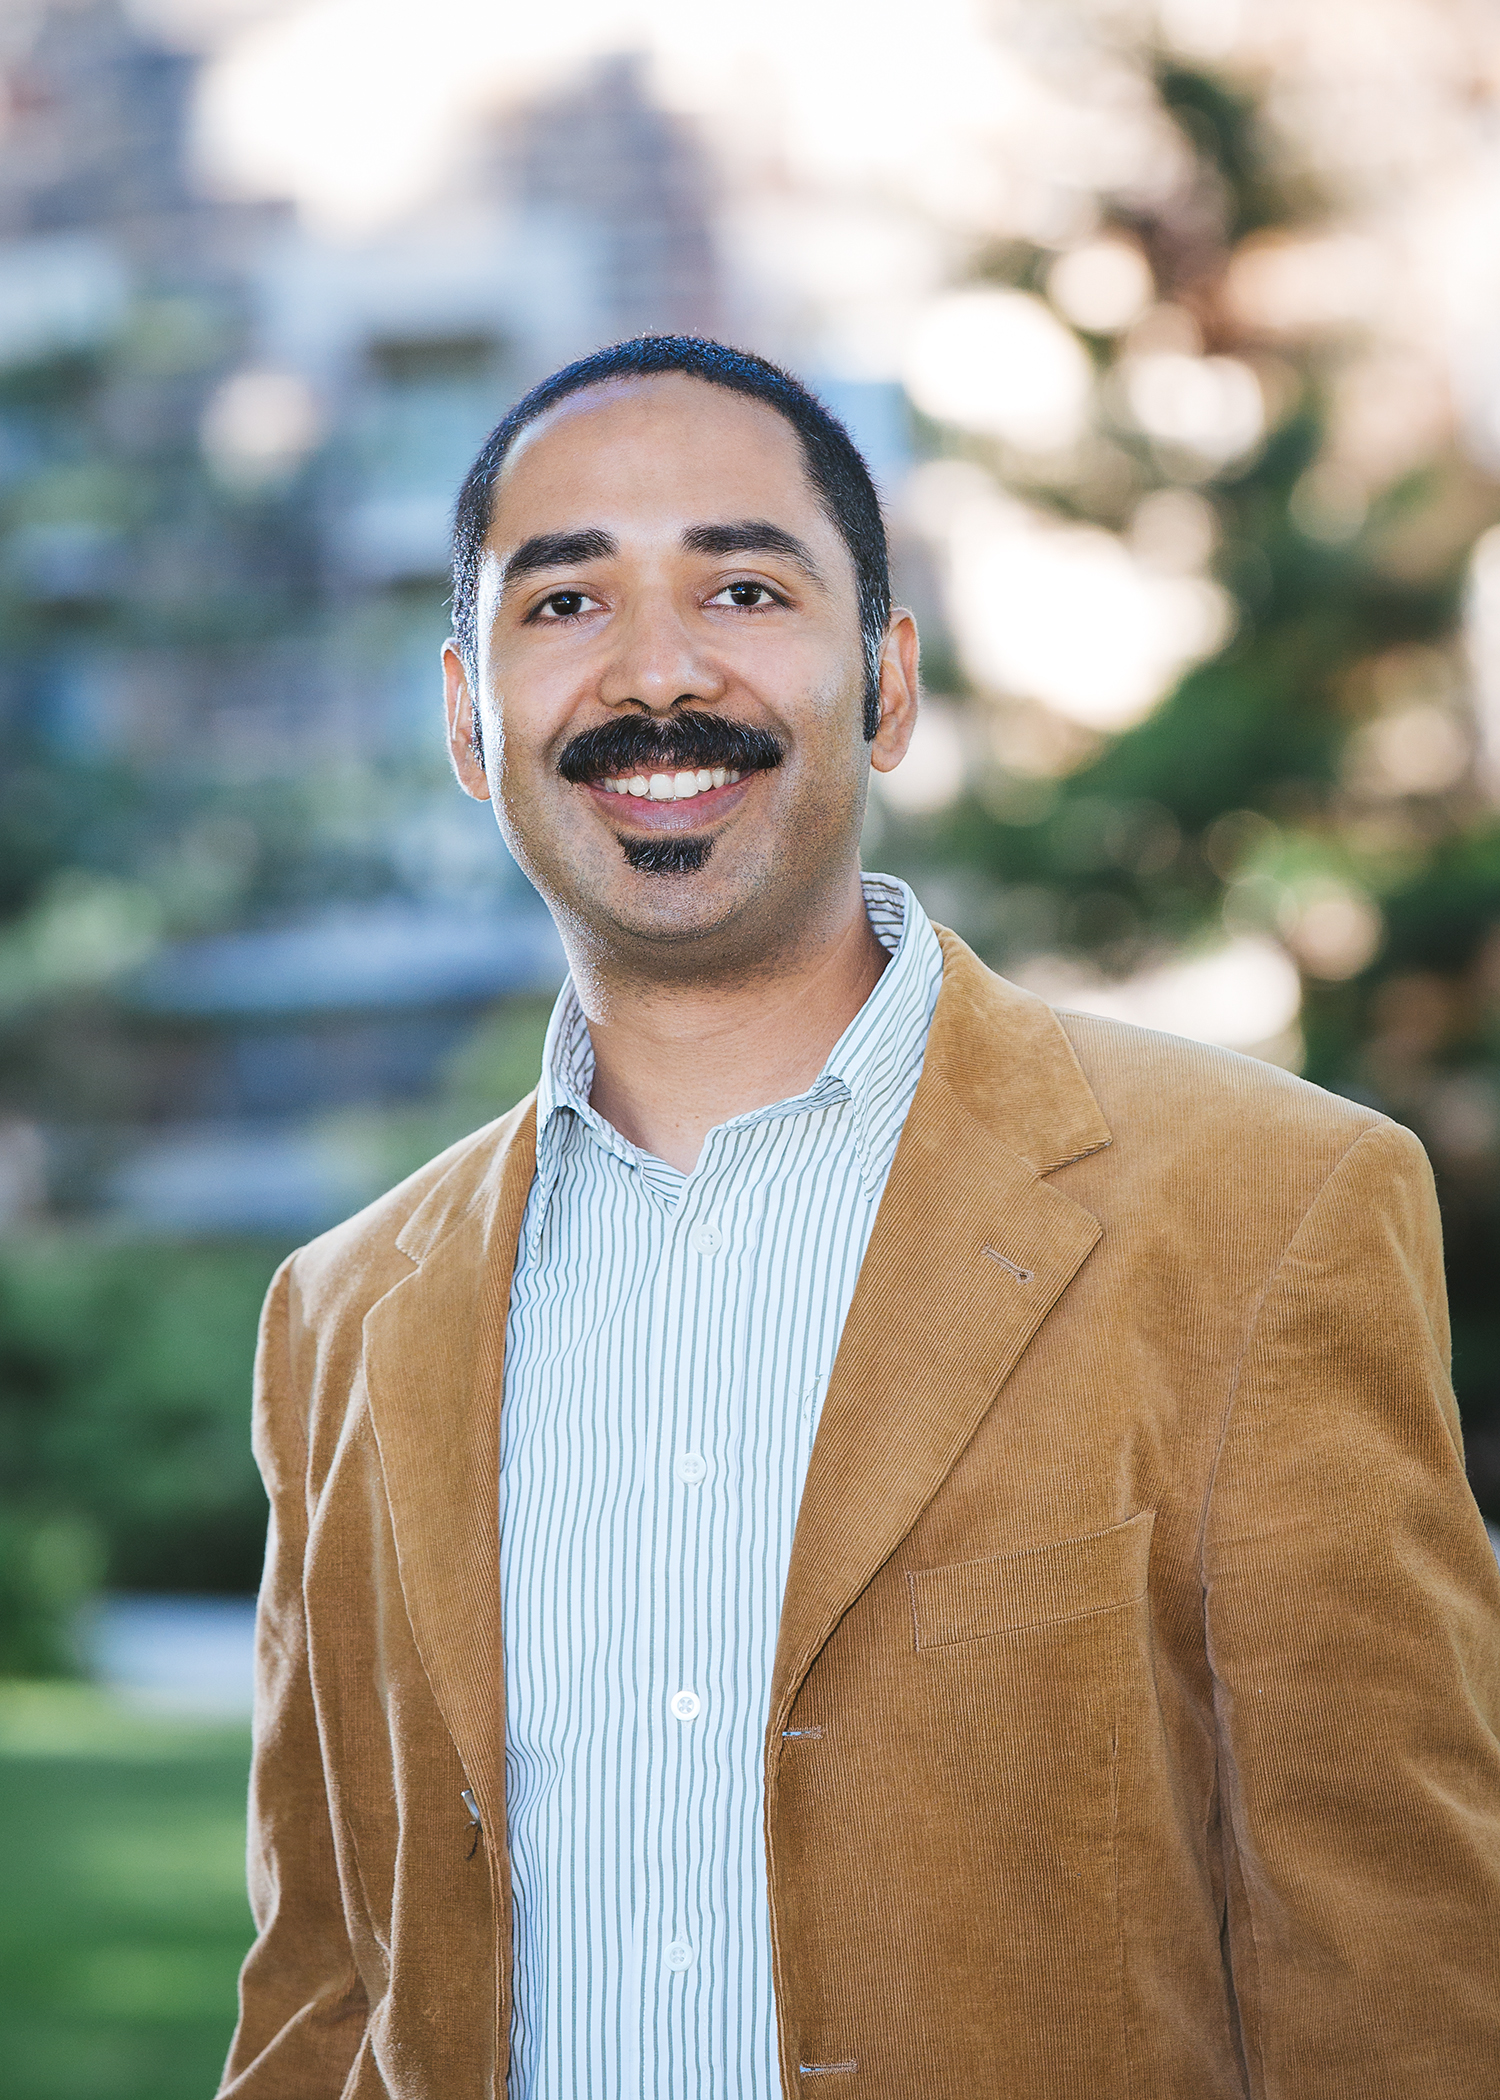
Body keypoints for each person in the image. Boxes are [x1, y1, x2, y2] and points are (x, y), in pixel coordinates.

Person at [219, 336, 1500, 2100]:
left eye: (744, 586)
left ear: (886, 684)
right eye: (566, 604)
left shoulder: (1264, 1211)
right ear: (466, 715)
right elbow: (317, 2001)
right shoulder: (339, 1317)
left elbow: (1404, 1984)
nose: (657, 673)